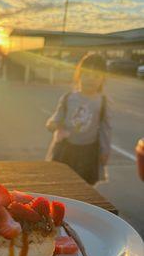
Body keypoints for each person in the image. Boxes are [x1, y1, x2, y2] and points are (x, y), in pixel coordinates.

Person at [46, 53, 111, 185]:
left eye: (96, 76)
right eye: (86, 74)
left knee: (86, 186)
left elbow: (105, 129)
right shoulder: (68, 98)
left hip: (89, 152)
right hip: (66, 150)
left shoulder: (102, 102)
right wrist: (56, 127)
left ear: (103, 79)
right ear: (79, 75)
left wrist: (105, 151)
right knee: (63, 184)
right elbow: (54, 121)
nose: (91, 79)